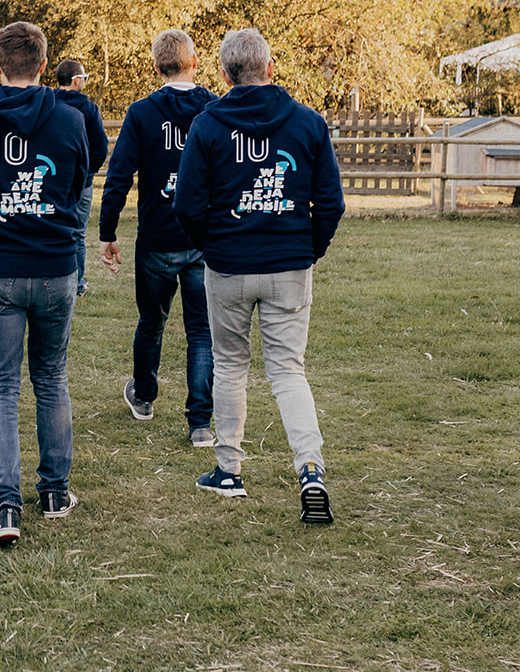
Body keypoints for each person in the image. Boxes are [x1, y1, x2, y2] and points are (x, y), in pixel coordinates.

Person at [173, 28, 344, 524]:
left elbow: (186, 203)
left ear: (225, 75)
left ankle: (229, 469)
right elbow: (331, 203)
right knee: (288, 370)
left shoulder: (208, 126)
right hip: (287, 264)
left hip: (229, 265)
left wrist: (212, 244)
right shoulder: (308, 124)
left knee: (229, 365)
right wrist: (306, 249)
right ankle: (310, 468)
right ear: (271, 68)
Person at [0, 22, 89, 547]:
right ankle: (54, 491)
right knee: (51, 377)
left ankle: (5, 507)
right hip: (54, 264)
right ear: (42, 63)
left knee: (0, 389)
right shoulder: (71, 118)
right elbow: (77, 182)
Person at [97, 30, 217, 446]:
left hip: (157, 236)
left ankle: (145, 396)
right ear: (195, 62)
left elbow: (118, 177)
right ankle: (200, 421)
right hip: (204, 237)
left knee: (152, 322)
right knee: (202, 330)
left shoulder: (142, 112)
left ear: (155, 67)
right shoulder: (214, 109)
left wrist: (107, 230)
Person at [53, 60, 108, 295]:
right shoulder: (88, 109)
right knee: (78, 233)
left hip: (53, 179)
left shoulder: (48, 103)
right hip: (82, 181)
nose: (85, 82)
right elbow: (100, 147)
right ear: (76, 79)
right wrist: (88, 170)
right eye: (84, 78)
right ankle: (76, 283)